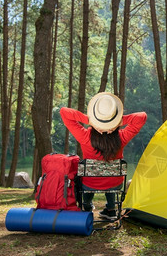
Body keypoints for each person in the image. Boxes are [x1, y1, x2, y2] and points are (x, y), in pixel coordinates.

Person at [60, 92, 147, 220]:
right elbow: (142, 117)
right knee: (109, 180)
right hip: (115, 183)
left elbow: (64, 112)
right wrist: (118, 122)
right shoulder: (121, 138)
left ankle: (87, 205)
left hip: (89, 184)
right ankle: (111, 210)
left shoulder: (85, 137)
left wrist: (90, 120)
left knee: (88, 180)